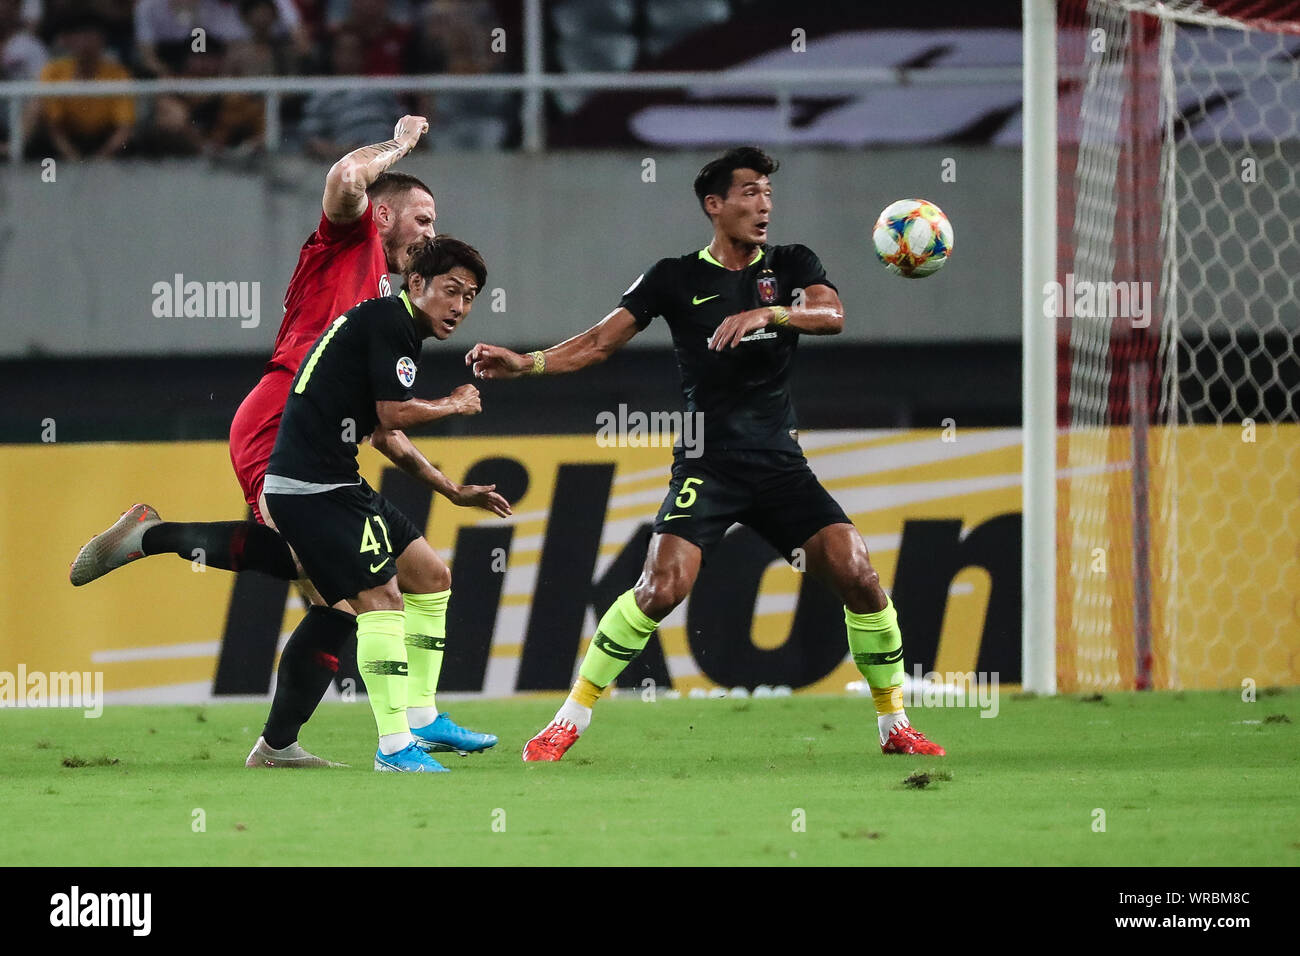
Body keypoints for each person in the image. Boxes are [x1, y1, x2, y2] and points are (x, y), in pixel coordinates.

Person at [466, 146, 946, 761]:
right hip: (707, 463)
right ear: (714, 205)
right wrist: (526, 362)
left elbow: (832, 314)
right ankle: (568, 720)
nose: (763, 203)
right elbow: (597, 343)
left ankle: (894, 725)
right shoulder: (673, 277)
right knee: (660, 587)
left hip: (779, 465)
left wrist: (768, 312)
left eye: (768, 191)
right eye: (748, 192)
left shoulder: (792, 263)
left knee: (860, 574)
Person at [70, 116, 504, 767]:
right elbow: (344, 175)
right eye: (423, 220)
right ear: (383, 215)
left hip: (322, 440)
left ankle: (283, 744)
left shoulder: (387, 309)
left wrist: (447, 486)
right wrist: (401, 144)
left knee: (361, 592)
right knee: (328, 578)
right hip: (280, 418)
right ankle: (149, 537)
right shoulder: (349, 237)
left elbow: (379, 426)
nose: (431, 235)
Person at [266, 236, 488, 772]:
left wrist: (450, 489)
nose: (459, 306)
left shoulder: (389, 326)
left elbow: (383, 435)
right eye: (451, 291)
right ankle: (393, 747)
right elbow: (394, 414)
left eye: (471, 296)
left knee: (432, 577)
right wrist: (453, 404)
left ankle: (421, 717)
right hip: (310, 489)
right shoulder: (391, 323)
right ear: (416, 285)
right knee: (382, 602)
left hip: (337, 481)